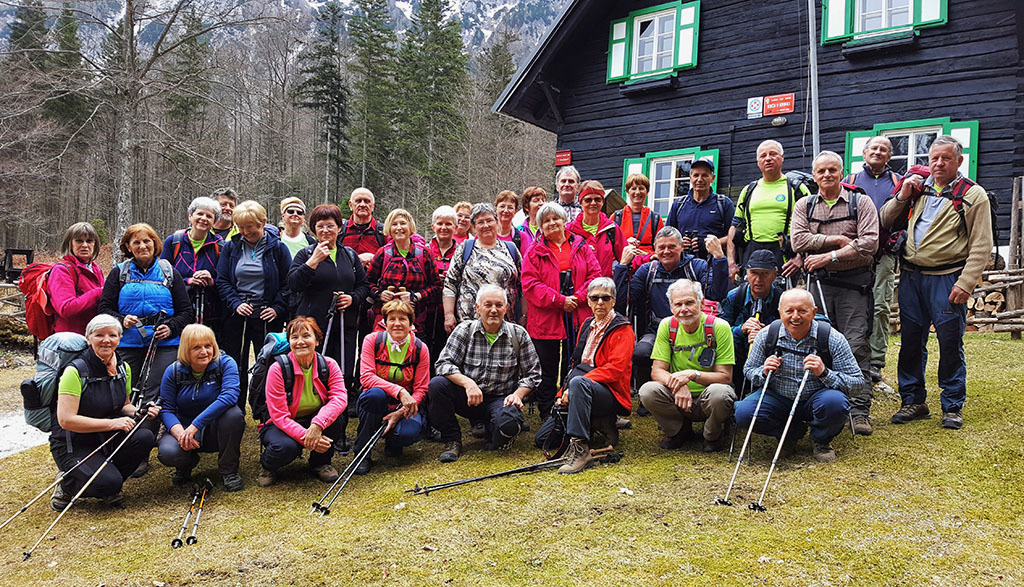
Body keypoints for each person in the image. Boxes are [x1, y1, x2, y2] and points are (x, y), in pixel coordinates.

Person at [879, 135, 993, 430]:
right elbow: (884, 220)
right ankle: (913, 401)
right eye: (934, 158)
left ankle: (952, 405)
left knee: (950, 342)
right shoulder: (918, 188)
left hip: (947, 278)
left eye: (946, 158)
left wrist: (966, 283)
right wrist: (902, 196)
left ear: (959, 161)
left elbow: (982, 244)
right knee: (910, 342)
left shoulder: (973, 194)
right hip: (911, 277)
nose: (939, 163)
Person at [791, 151, 879, 435]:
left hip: (855, 285)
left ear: (841, 173)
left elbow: (869, 243)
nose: (827, 175)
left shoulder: (860, 202)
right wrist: (839, 240)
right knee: (817, 344)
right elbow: (798, 240)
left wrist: (829, 255)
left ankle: (859, 410)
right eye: (821, 171)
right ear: (814, 175)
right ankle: (821, 405)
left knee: (855, 345)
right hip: (818, 285)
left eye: (832, 170)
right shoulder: (804, 205)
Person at [98, 222, 192, 478]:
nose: (142, 246)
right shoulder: (119, 273)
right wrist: (121, 320)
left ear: (155, 244)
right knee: (126, 396)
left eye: (147, 241)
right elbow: (104, 308)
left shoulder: (169, 272)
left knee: (153, 395)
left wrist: (171, 328)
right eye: (136, 242)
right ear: (128, 247)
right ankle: (127, 448)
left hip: (163, 344)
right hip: (128, 343)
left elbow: (186, 311)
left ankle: (143, 450)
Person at [49, 314, 161, 510]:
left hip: (105, 438)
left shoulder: (123, 368)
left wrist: (140, 411)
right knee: (109, 483)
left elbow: (124, 405)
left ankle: (104, 479)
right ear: (88, 338)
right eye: (99, 335)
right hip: (73, 444)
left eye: (112, 335)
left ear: (120, 338)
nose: (106, 340)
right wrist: (113, 424)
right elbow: (66, 420)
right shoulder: (75, 372)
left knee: (144, 437)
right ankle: (68, 484)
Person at [736, 289, 862, 462]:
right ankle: (790, 433)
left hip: (817, 397)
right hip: (778, 397)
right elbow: (749, 370)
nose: (795, 317)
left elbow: (857, 383)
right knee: (744, 412)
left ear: (814, 312)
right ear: (780, 312)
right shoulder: (767, 335)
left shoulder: (832, 338)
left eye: (802, 311)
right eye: (789, 311)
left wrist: (825, 373)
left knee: (835, 403)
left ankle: (821, 440)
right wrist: (763, 371)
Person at [428, 285, 542, 462]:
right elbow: (443, 364)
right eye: (488, 305)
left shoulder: (518, 334)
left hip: (500, 399)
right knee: (437, 385)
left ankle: (494, 431)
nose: (493, 310)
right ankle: (452, 440)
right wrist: (468, 383)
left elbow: (534, 374)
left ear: (506, 308)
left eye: (499, 305)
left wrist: (518, 395)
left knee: (508, 425)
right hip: (468, 398)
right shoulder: (464, 330)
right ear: (477, 308)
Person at [287, 203, 370, 437]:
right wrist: (313, 262)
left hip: (345, 325)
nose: (325, 231)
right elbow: (293, 284)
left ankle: (338, 428)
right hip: (314, 328)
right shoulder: (305, 254)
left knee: (342, 375)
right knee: (317, 375)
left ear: (339, 228)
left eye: (330, 226)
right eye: (320, 226)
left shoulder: (349, 255)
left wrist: (352, 298)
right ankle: (313, 423)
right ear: (314, 229)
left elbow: (364, 286)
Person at [616, 226, 729, 392]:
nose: (666, 251)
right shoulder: (648, 271)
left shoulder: (696, 267)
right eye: (661, 247)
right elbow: (622, 302)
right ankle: (645, 393)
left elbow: (716, 294)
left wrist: (719, 257)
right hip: (656, 330)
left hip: (695, 329)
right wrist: (623, 266)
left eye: (671, 246)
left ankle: (697, 392)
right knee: (641, 352)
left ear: (682, 246)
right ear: (655, 249)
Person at [522, 202, 601, 419]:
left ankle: (572, 407)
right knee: (546, 368)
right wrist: (559, 300)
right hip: (546, 319)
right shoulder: (534, 252)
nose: (552, 223)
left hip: (577, 315)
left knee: (574, 364)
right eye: (546, 221)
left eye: (555, 218)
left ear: (564, 220)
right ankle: (547, 412)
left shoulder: (581, 246)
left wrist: (578, 298)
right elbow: (530, 285)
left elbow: (595, 275)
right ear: (540, 226)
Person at [639, 279, 735, 452]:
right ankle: (679, 431)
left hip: (708, 396)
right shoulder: (667, 326)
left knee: (721, 394)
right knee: (648, 391)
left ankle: (712, 435)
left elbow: (725, 377)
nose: (683, 309)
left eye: (689, 303)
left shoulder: (719, 327)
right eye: (678, 304)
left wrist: (693, 375)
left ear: (701, 303)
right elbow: (657, 371)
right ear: (671, 306)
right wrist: (678, 385)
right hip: (677, 397)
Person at [551, 278, 634, 474]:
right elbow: (576, 365)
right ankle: (601, 423)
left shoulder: (623, 328)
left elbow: (616, 369)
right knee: (546, 438)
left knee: (579, 383)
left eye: (606, 298)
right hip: (583, 386)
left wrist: (576, 386)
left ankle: (581, 451)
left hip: (611, 393)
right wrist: (562, 393)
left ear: (613, 301)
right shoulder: (587, 325)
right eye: (595, 298)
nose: (600, 303)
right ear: (588, 301)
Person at [215, 201, 291, 407]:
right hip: (237, 317)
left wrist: (277, 308)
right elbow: (222, 280)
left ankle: (265, 410)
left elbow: (288, 283)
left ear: (262, 223)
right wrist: (235, 303)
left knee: (267, 365)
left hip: (267, 316)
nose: (245, 232)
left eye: (250, 227)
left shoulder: (278, 249)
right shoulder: (231, 247)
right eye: (241, 227)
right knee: (235, 364)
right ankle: (234, 409)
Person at [257, 317, 347, 486]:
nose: (300, 342)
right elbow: (279, 416)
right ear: (289, 342)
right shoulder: (277, 369)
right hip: (281, 423)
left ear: (317, 341)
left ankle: (320, 463)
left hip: (314, 419)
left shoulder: (329, 365)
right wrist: (307, 437)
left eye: (306, 336)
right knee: (286, 447)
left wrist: (318, 425)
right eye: (294, 337)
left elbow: (340, 398)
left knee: (337, 419)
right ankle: (268, 466)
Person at [157, 324, 245, 491]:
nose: (204, 352)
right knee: (168, 452)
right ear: (185, 350)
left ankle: (229, 471)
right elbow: (166, 408)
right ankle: (186, 464)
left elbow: (229, 396)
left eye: (208, 346)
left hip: (215, 427)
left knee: (234, 415)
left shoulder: (226, 363)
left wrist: (195, 425)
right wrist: (181, 433)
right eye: (196, 348)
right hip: (184, 426)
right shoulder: (173, 371)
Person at [843, 136, 900, 383]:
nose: (878, 152)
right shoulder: (850, 181)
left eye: (883, 149)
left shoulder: (898, 182)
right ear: (864, 153)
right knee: (853, 305)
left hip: (885, 252)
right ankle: (849, 357)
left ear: (889, 156)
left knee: (880, 306)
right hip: (855, 253)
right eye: (873, 148)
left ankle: (876, 361)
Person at [353, 300, 430, 474]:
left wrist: (401, 412)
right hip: (375, 401)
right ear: (385, 323)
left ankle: (393, 441)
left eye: (402, 319)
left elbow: (421, 389)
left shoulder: (420, 348)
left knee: (409, 433)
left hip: (403, 406)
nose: (397, 323)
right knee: (375, 395)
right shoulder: (372, 341)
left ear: (411, 324)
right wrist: (399, 391)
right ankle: (362, 454)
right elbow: (366, 377)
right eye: (392, 319)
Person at [727, 140, 811, 280]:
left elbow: (812, 225)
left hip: (785, 255)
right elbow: (735, 227)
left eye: (773, 154)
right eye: (763, 155)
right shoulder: (748, 190)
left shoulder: (797, 189)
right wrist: (731, 262)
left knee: (783, 294)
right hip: (752, 253)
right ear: (758, 162)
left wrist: (800, 257)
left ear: (782, 157)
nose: (768, 158)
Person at [443, 203, 523, 331]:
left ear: (497, 222)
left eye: (489, 220)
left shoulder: (510, 249)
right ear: (474, 227)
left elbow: (523, 285)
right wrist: (449, 315)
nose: (486, 225)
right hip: (469, 325)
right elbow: (450, 285)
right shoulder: (464, 249)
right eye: (480, 222)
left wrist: (524, 315)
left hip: (505, 324)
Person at [366, 209, 440, 339]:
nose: (399, 228)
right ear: (389, 228)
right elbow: (367, 283)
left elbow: (436, 286)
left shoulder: (424, 254)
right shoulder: (383, 253)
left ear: (410, 227)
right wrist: (379, 294)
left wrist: (416, 296)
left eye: (403, 223)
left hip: (415, 322)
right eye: (394, 224)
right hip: (385, 321)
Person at [717, 250, 783, 392]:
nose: (758, 280)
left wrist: (765, 336)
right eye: (754, 273)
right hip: (738, 358)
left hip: (772, 362)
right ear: (747, 273)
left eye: (765, 273)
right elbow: (720, 332)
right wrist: (741, 330)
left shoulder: (783, 300)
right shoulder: (735, 297)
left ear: (774, 274)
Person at [161, 196, 225, 334]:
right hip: (178, 310)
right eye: (200, 214)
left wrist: (211, 281)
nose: (204, 218)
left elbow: (225, 279)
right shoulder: (173, 242)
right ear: (190, 216)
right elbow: (162, 276)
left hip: (211, 312)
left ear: (214, 222)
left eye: (209, 216)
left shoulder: (220, 246)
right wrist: (187, 281)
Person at [666, 161, 734, 260]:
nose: (699, 179)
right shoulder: (679, 204)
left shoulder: (724, 203)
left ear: (713, 178)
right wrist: (679, 243)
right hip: (682, 263)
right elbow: (667, 235)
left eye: (705, 175)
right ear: (690, 178)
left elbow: (733, 236)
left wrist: (710, 244)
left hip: (712, 262)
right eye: (696, 175)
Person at [48, 222, 105, 335]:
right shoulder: (62, 270)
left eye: (89, 241)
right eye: (79, 241)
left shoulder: (96, 269)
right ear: (69, 244)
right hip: (69, 337)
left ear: (95, 244)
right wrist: (99, 292)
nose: (85, 245)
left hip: (94, 335)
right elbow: (65, 308)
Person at [567, 180, 626, 277]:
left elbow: (626, 257)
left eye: (597, 199)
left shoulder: (611, 229)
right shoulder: (570, 230)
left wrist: (648, 258)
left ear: (603, 202)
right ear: (580, 202)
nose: (593, 203)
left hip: (603, 284)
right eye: (588, 200)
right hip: (578, 285)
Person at [614, 173, 665, 260]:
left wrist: (647, 255)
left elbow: (663, 247)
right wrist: (625, 243)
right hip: (623, 262)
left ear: (647, 192)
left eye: (641, 188)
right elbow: (609, 246)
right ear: (628, 192)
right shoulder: (617, 217)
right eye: (633, 188)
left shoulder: (655, 219)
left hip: (647, 264)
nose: (637, 192)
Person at [340, 187, 387, 269]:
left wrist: (375, 258)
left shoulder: (384, 232)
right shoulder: (339, 230)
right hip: (345, 277)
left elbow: (393, 260)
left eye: (367, 201)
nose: (362, 204)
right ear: (350, 205)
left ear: (373, 206)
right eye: (358, 201)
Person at [518, 186, 548, 253]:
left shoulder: (549, 228)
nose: (541, 203)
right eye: (536, 200)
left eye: (543, 200)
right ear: (526, 207)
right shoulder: (519, 231)